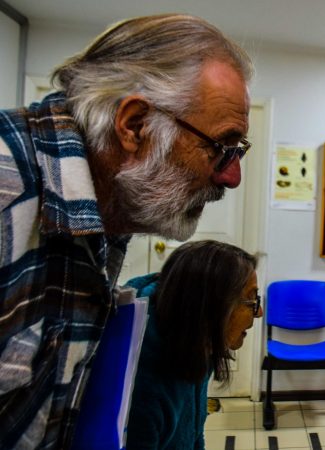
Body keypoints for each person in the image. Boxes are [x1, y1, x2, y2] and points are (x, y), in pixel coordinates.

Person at [0, 14, 253, 449]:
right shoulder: (10, 189)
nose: (231, 177)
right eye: (221, 147)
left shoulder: (108, 210)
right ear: (134, 125)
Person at [125, 240, 261, 449]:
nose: (258, 312)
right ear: (211, 306)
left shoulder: (197, 343)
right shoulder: (143, 388)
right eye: (250, 301)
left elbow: (194, 432)